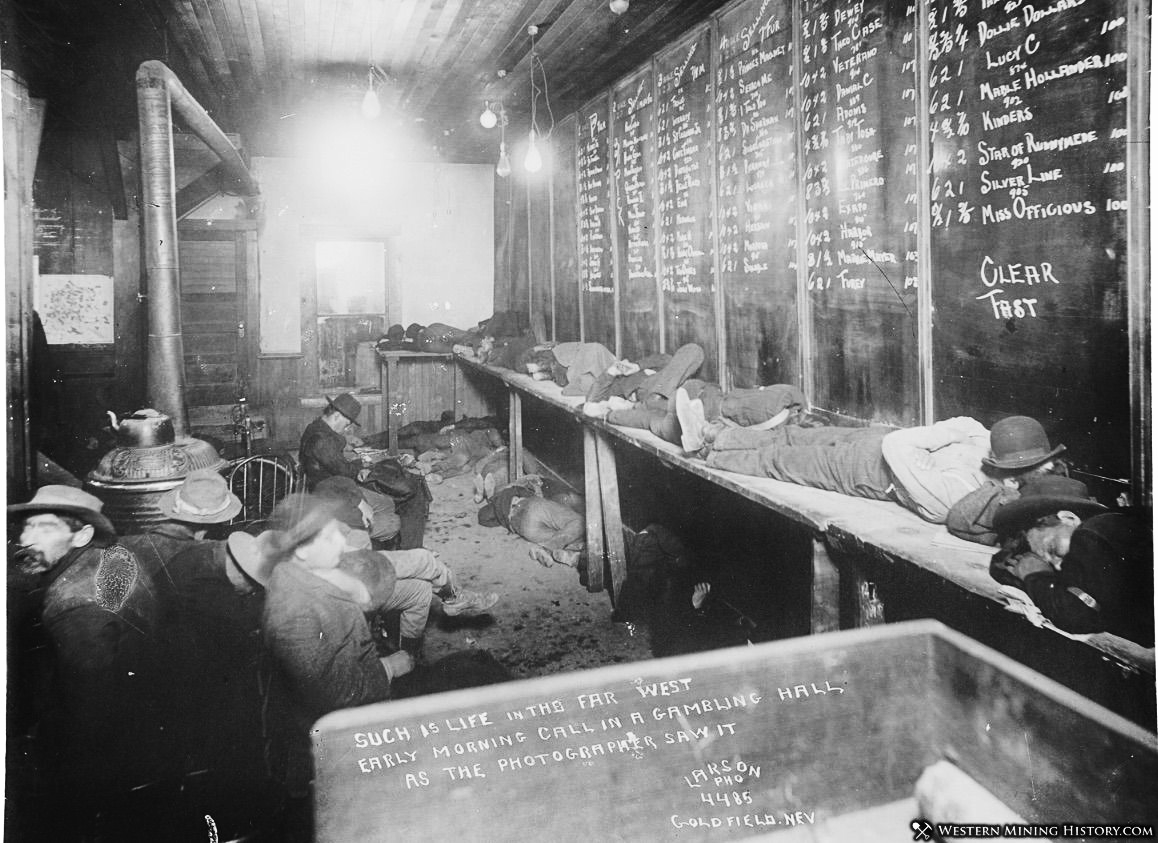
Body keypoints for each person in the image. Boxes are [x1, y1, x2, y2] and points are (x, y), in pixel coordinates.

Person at [8, 486, 166, 823]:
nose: (26, 538)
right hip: (144, 726)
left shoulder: (76, 605)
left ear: (83, 535)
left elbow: (90, 715)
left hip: (113, 760)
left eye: (45, 527)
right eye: (26, 527)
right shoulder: (112, 556)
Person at [680, 392, 992, 523]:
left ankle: (710, 455)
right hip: (876, 442)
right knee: (792, 435)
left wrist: (939, 442)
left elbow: (900, 445)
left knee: (781, 461)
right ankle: (710, 434)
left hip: (865, 473)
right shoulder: (992, 452)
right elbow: (968, 423)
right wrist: (941, 443)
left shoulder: (961, 493)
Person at [988, 476, 1153, 645]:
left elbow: (1077, 615)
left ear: (1069, 518)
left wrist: (1036, 575)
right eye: (1049, 563)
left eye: (1052, 550)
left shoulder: (1089, 535)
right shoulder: (1115, 527)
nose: (1057, 566)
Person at [299, 392, 427, 548]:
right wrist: (363, 465)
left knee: (393, 489)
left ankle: (405, 542)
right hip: (335, 494)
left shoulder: (315, 428)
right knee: (407, 489)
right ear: (337, 415)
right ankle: (410, 547)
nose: (347, 428)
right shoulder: (322, 440)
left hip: (332, 487)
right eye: (347, 423)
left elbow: (336, 463)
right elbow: (345, 472)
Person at [946, 416, 1069, 545]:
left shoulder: (1057, 478)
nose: (1050, 467)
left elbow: (957, 521)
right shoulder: (1003, 497)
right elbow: (957, 520)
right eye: (1041, 469)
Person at [479, 476, 586, 567]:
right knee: (580, 522)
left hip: (523, 528)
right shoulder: (517, 485)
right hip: (531, 508)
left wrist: (504, 522)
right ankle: (548, 549)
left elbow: (482, 518)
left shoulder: (499, 502)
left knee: (565, 535)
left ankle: (570, 557)